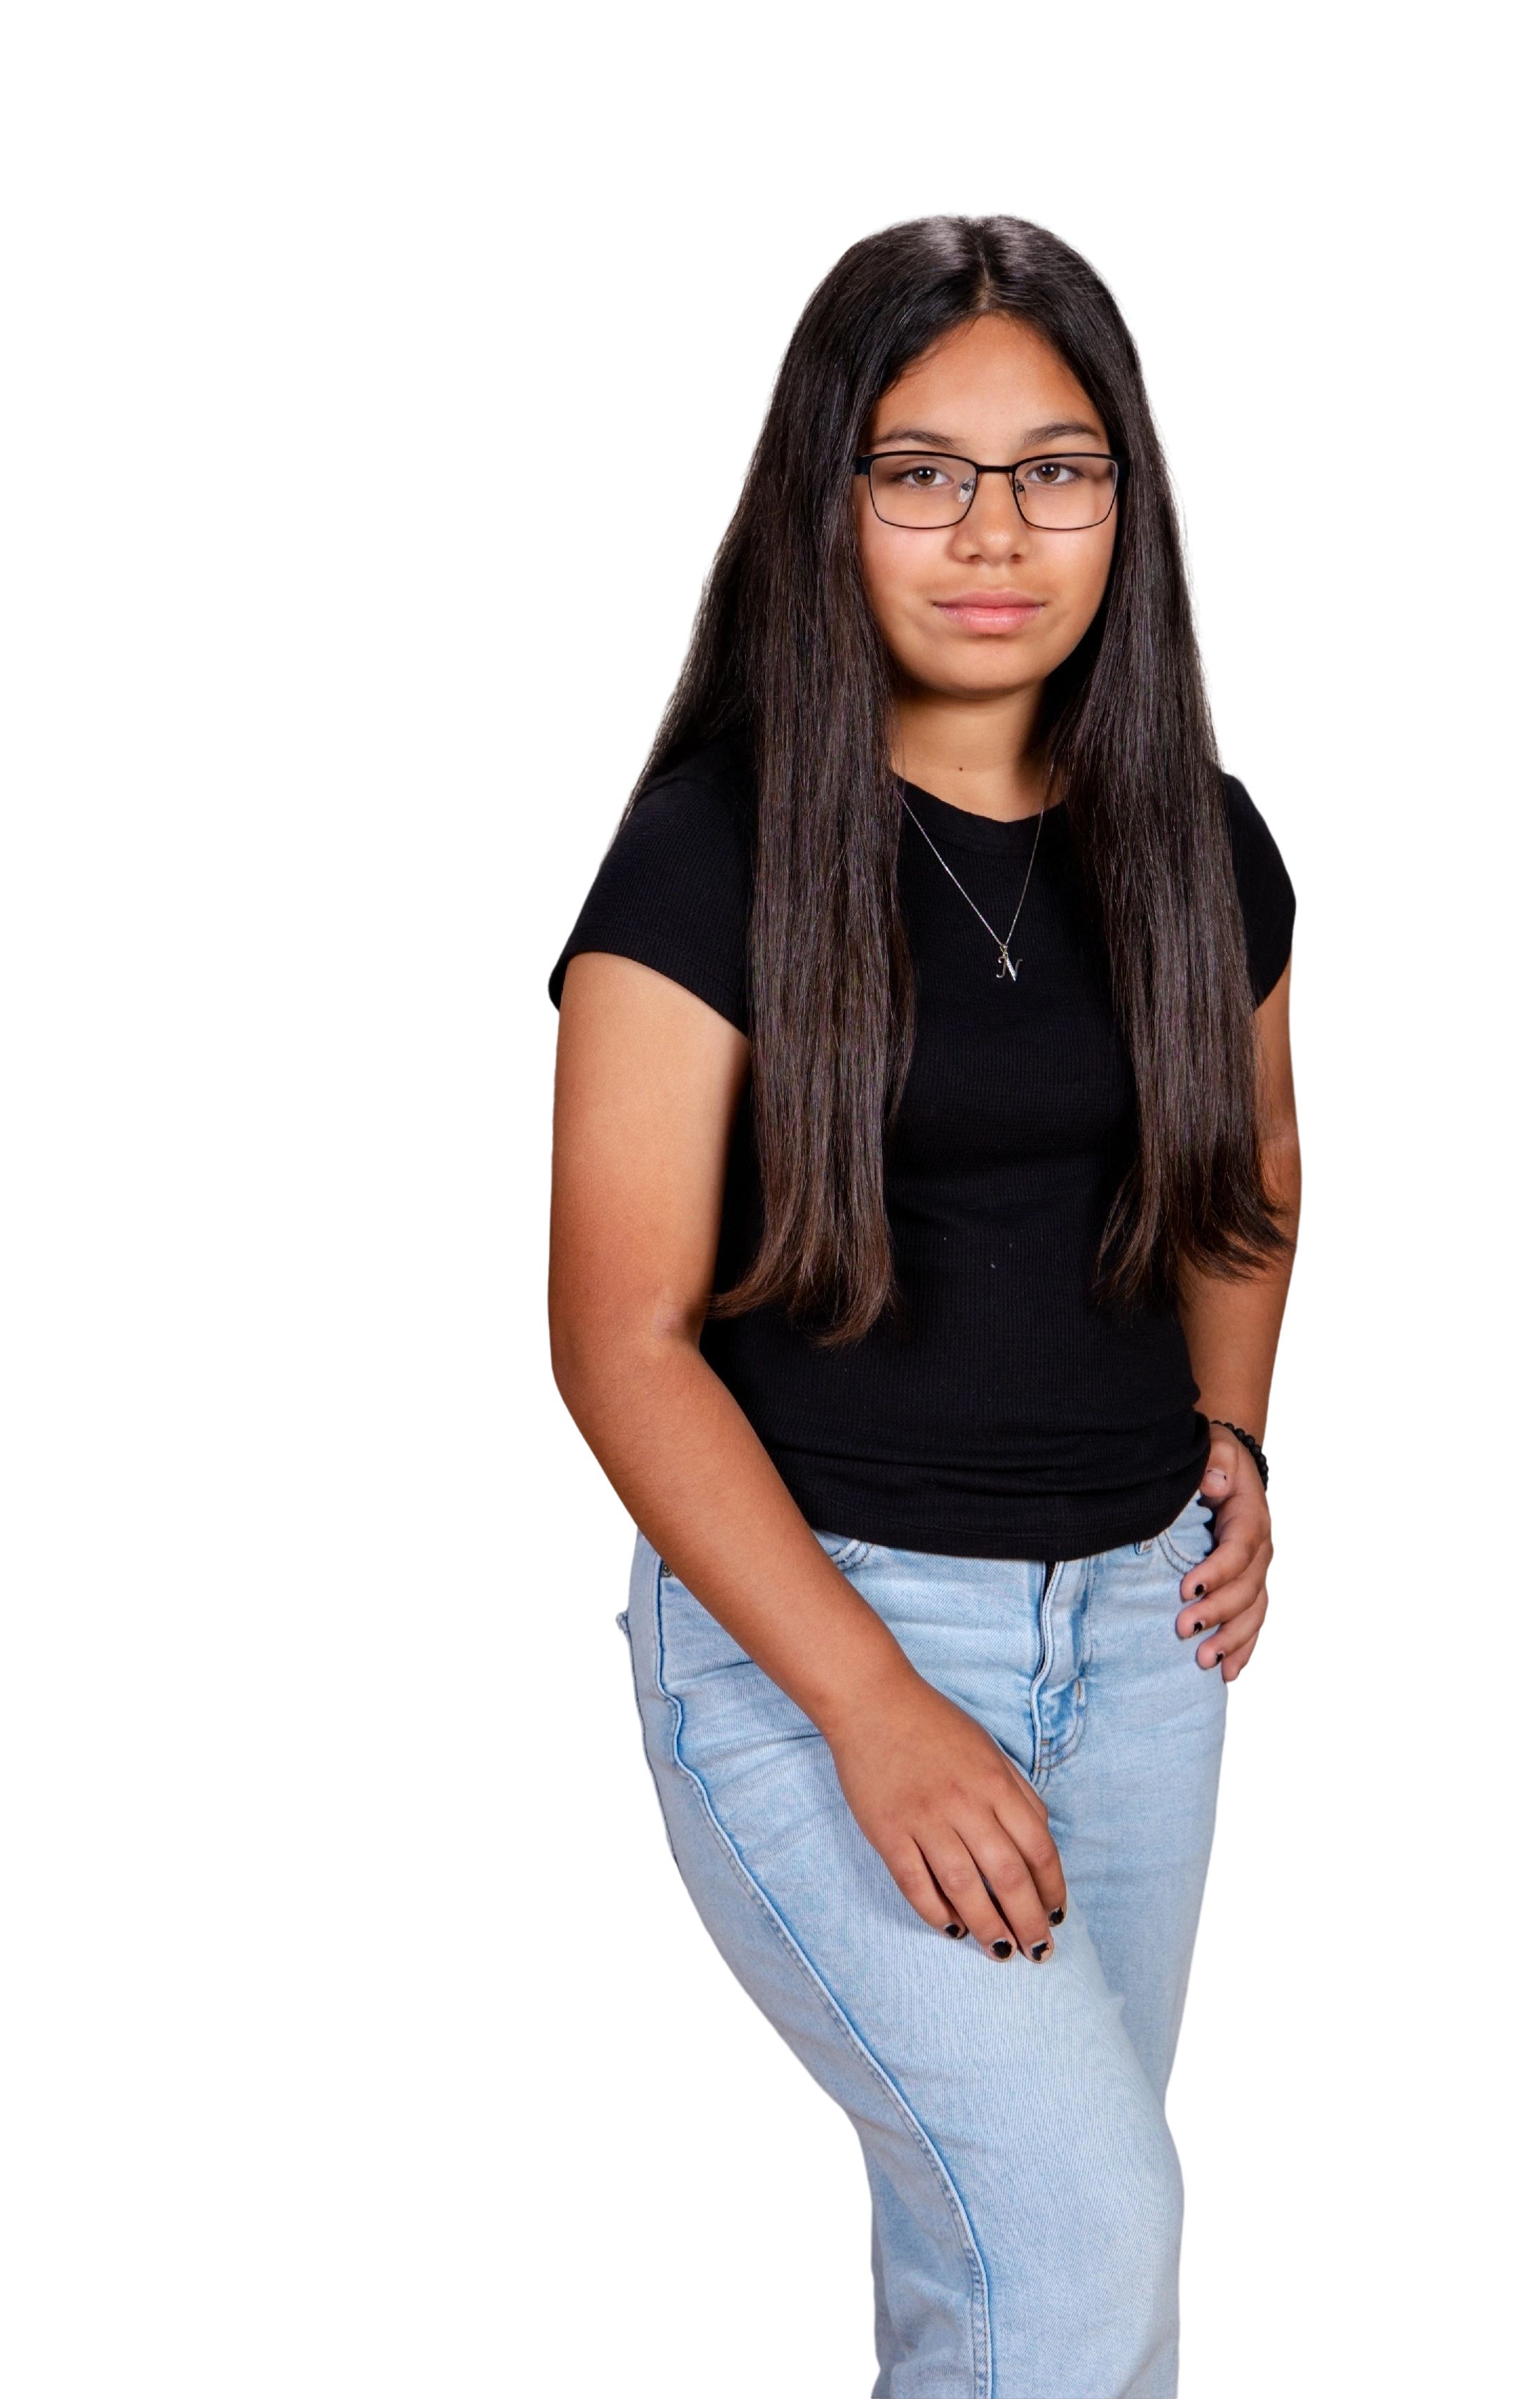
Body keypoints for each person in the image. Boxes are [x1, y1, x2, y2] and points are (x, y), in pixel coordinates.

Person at [543, 208, 1303, 2399]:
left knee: (1010, 2270)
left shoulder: (1196, 831)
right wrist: (876, 1704)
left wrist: (1237, 1436)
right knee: (1079, 2220)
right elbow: (615, 1341)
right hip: (819, 1640)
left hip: (1142, 1638)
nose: (995, 533)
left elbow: (1253, 1177)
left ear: (1127, 503)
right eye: (923, 472)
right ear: (828, 499)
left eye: (1055, 470)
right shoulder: (707, 860)